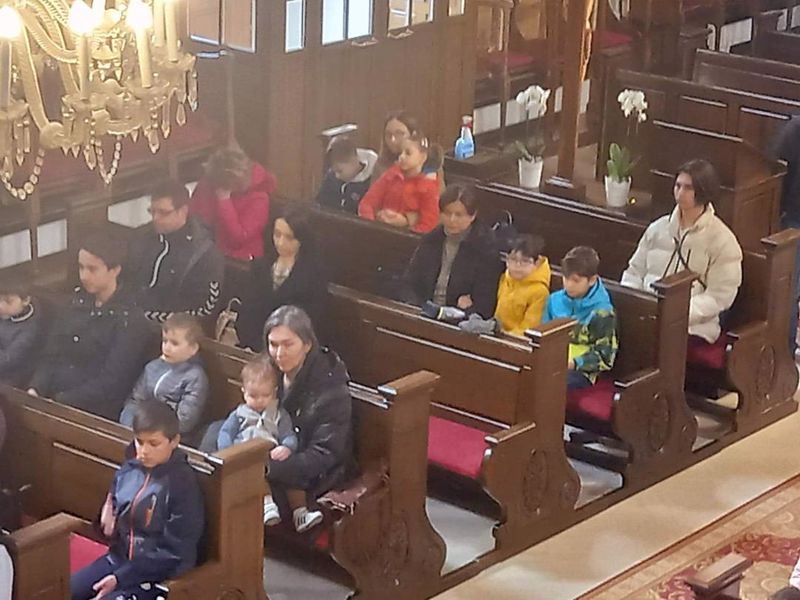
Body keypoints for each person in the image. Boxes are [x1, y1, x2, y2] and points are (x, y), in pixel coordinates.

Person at [70, 400, 204, 600]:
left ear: (174, 441)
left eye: (154, 443)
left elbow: (175, 552)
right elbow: (113, 522)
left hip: (157, 575)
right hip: (119, 560)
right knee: (62, 591)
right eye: (139, 442)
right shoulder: (128, 470)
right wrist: (105, 519)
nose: (144, 451)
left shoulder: (183, 484)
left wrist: (121, 578)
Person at [621, 159, 743, 345]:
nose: (680, 193)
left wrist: (675, 315)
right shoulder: (657, 228)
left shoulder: (722, 240)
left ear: (703, 191)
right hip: (646, 317)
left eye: (688, 188)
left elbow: (720, 296)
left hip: (693, 327)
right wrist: (635, 304)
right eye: (678, 186)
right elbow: (634, 272)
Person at [28, 232, 147, 420]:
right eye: (81, 267)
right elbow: (51, 353)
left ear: (114, 270)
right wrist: (36, 387)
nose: (84, 276)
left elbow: (112, 381)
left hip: (93, 408)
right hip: (55, 394)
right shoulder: (75, 302)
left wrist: (61, 400)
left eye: (92, 269)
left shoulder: (130, 318)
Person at [262, 306, 353, 532]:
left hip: (311, 481)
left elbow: (324, 454)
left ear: (307, 344)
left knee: (238, 494)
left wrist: (267, 467)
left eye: (288, 344)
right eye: (273, 344)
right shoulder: (265, 374)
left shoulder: (331, 390)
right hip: (272, 465)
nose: (279, 353)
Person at [217, 358, 308, 528]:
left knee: (293, 476)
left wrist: (286, 447)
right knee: (256, 474)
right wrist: (229, 452)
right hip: (247, 455)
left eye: (265, 396)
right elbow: (225, 433)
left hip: (272, 455)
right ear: (243, 391)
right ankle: (267, 505)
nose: (259, 400)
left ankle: (301, 512)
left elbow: (288, 435)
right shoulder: (239, 414)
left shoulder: (279, 414)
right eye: (253, 396)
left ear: (274, 392)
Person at [126, 179, 225, 322]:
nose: (155, 218)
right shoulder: (142, 236)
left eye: (163, 213)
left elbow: (203, 309)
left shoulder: (203, 254)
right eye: (152, 211)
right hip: (132, 318)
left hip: (175, 327)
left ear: (183, 211)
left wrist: (144, 317)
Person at [235, 205, 329, 351]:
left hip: (289, 349)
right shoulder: (260, 266)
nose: (280, 242)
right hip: (253, 344)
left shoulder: (314, 274)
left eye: (289, 237)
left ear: (302, 239)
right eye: (277, 234)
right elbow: (247, 310)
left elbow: (310, 322)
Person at [404, 184, 503, 319]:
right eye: (447, 213)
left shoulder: (485, 248)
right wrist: (416, 306)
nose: (452, 220)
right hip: (424, 311)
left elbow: (485, 302)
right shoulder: (431, 240)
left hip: (460, 319)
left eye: (459, 215)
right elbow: (410, 282)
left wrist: (461, 311)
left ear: (472, 216)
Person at [120, 313, 209, 444]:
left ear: (193, 348)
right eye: (165, 341)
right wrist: (130, 424)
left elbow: (185, 421)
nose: (167, 347)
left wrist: (151, 431)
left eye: (174, 343)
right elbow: (135, 400)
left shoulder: (195, 377)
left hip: (168, 439)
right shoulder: (152, 367)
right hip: (140, 428)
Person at [542, 246, 618, 390]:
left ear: (592, 280)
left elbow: (605, 357)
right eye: (566, 278)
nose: (569, 285)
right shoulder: (554, 300)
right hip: (551, 361)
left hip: (582, 371)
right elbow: (544, 334)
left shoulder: (603, 312)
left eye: (576, 280)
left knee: (549, 384)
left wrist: (574, 363)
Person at [189, 147, 275, 261]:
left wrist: (224, 202)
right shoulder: (211, 182)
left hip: (241, 258)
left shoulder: (259, 198)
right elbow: (196, 217)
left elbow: (238, 238)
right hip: (211, 249)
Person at [358, 132, 442, 233]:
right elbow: (367, 202)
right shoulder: (391, 175)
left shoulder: (428, 187)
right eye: (400, 152)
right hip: (379, 231)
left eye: (408, 153)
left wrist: (406, 233)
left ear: (423, 157)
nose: (401, 156)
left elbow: (429, 224)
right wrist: (371, 227)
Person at [770, 115, 800, 353]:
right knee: (789, 290)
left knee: (789, 288)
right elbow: (776, 169)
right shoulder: (796, 128)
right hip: (794, 218)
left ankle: (785, 354)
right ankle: (784, 354)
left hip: (793, 217)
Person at [494, 234, 551, 336]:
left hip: (516, 340)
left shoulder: (540, 292)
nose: (517, 266)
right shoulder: (505, 279)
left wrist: (503, 335)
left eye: (525, 261)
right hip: (496, 332)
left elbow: (529, 328)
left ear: (536, 263)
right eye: (513, 259)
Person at [315, 136, 378, 214]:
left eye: (340, 171)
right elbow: (319, 204)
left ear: (354, 160)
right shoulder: (331, 178)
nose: (337, 176)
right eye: (334, 172)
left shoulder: (373, 180)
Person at [0, 280, 45, 388]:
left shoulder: (31, 329)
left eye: (8, 301)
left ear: (26, 300)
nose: (1, 306)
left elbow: (9, 359)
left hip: (13, 375)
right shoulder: (6, 313)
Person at [372, 110, 421, 182]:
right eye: (388, 134)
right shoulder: (381, 164)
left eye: (399, 134)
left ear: (413, 135)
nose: (393, 140)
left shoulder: (428, 162)